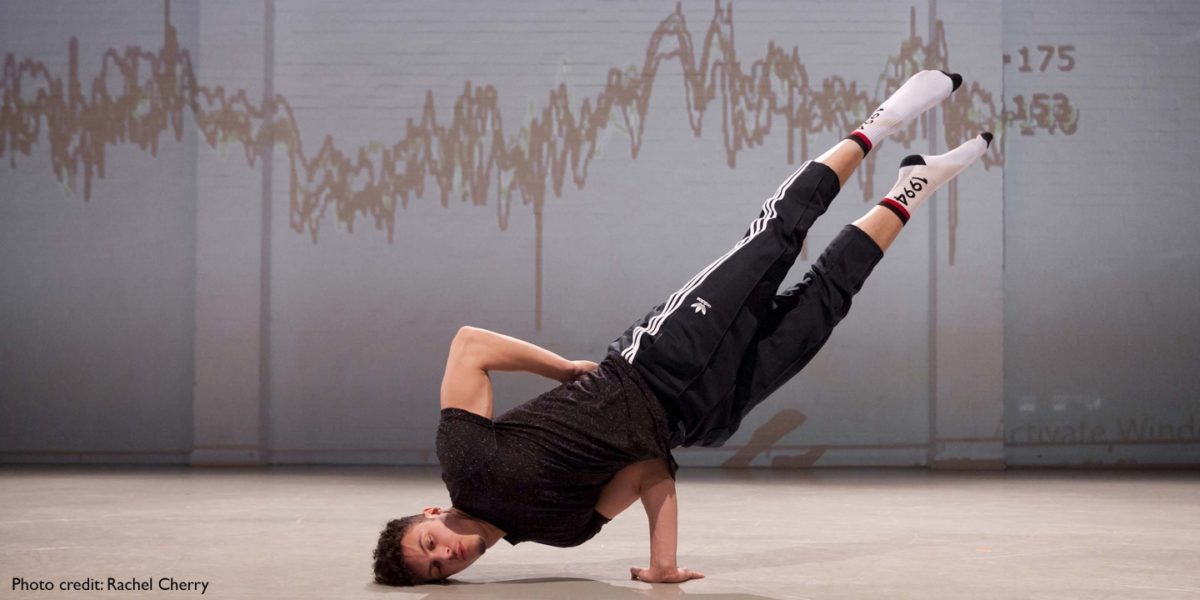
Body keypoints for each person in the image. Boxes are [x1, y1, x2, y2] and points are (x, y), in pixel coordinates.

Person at [373, 69, 992, 586]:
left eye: (429, 543)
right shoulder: (561, 533)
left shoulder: (466, 464)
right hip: (704, 414)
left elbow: (471, 345)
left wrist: (562, 370)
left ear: (429, 513)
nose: (446, 554)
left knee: (776, 238)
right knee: (825, 302)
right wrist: (662, 563)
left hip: (656, 361)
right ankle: (913, 186)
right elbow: (650, 473)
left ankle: (879, 124)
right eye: (438, 569)